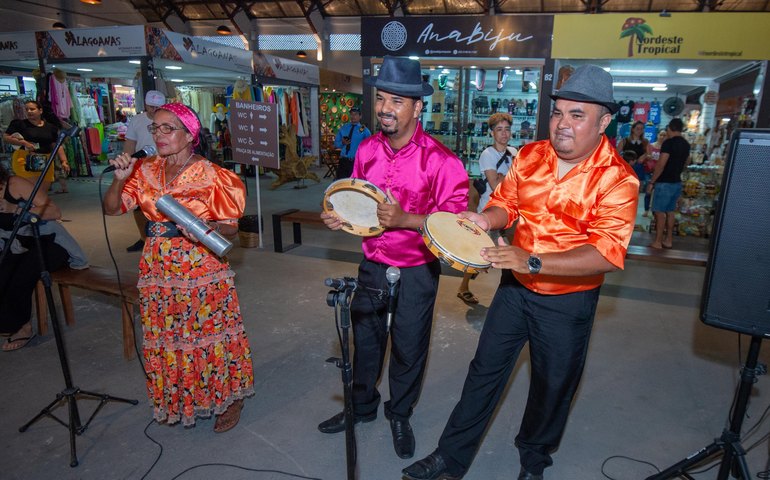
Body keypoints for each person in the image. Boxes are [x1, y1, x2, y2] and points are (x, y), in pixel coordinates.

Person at [403, 65, 639, 480]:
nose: (562, 124)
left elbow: (606, 253)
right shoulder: (530, 156)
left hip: (568, 301)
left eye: (577, 115)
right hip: (515, 289)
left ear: (603, 122)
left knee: (552, 386)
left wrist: (532, 261)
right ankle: (450, 457)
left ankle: (533, 462)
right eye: (558, 113)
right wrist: (485, 219)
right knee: (484, 371)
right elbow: (506, 204)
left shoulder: (618, 179)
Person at [318, 56, 468, 459]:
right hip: (373, 263)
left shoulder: (442, 161)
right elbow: (358, 202)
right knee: (365, 342)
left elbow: (455, 226)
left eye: (397, 101)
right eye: (382, 98)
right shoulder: (367, 148)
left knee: (409, 346)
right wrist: (339, 216)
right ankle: (361, 407)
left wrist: (407, 220)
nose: (385, 108)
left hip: (417, 270)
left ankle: (399, 414)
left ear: (418, 107)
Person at [102, 102, 253, 432]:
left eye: (168, 128)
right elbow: (112, 209)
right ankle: (184, 396)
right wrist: (119, 180)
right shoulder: (143, 169)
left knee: (209, 333)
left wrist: (206, 226)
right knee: (170, 333)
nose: (159, 135)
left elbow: (231, 228)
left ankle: (230, 397)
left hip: (199, 264)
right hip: (157, 263)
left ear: (189, 135)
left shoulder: (214, 176)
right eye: (155, 128)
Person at [0, 164, 87, 351]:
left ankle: (22, 326)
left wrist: (15, 209)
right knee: (6, 266)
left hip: (48, 241)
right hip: (17, 245)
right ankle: (10, 322)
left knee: (20, 270)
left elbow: (54, 212)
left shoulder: (14, 184)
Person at [458, 112, 517, 305]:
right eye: (499, 129)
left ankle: (510, 293)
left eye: (507, 129)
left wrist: (503, 177)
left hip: (510, 212)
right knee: (481, 253)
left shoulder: (514, 152)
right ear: (492, 133)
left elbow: (519, 181)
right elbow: (495, 185)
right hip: (489, 211)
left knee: (511, 253)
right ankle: (463, 287)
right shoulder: (487, 154)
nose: (504, 133)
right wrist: (508, 179)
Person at [123, 90, 166, 252]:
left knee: (163, 204)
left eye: (157, 107)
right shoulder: (137, 120)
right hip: (143, 166)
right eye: (151, 106)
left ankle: (163, 238)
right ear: (145, 105)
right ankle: (143, 238)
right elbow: (130, 144)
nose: (154, 110)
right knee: (139, 204)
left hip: (165, 166)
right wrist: (126, 163)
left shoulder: (169, 120)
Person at [3, 100, 70, 194]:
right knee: (30, 189)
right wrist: (24, 143)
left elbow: (57, 145)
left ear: (40, 110)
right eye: (26, 109)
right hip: (25, 159)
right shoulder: (18, 124)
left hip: (45, 159)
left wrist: (64, 161)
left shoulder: (51, 127)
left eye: (32, 109)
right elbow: (6, 137)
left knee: (42, 191)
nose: (29, 111)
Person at [647, 118, 691, 250]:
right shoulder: (686, 144)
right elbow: (687, 162)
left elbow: (661, 164)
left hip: (664, 182)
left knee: (659, 212)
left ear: (670, 128)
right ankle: (669, 240)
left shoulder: (668, 143)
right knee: (670, 211)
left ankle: (658, 242)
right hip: (677, 181)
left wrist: (652, 181)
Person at [334, 106, 371, 179]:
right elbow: (336, 144)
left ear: (360, 116)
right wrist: (342, 143)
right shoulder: (343, 128)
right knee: (341, 183)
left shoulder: (365, 131)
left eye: (355, 114)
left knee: (354, 184)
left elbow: (369, 147)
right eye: (351, 114)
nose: (353, 116)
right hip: (343, 161)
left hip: (356, 162)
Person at [644, 128, 668, 217]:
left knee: (658, 192)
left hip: (661, 173)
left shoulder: (667, 149)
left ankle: (655, 210)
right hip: (649, 171)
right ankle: (646, 209)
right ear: (657, 135)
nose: (662, 137)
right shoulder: (650, 146)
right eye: (661, 135)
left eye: (664, 135)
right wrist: (647, 157)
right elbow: (646, 157)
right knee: (648, 192)